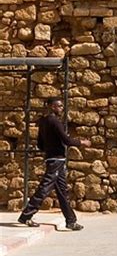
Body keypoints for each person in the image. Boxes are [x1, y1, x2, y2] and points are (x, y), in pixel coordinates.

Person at [18, 96, 91, 230]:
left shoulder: (43, 122)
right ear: (52, 106)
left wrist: (50, 148)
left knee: (62, 192)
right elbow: (67, 140)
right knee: (44, 188)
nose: (61, 108)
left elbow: (40, 144)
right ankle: (26, 215)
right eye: (59, 106)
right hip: (56, 160)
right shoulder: (55, 122)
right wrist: (82, 142)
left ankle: (70, 221)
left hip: (53, 159)